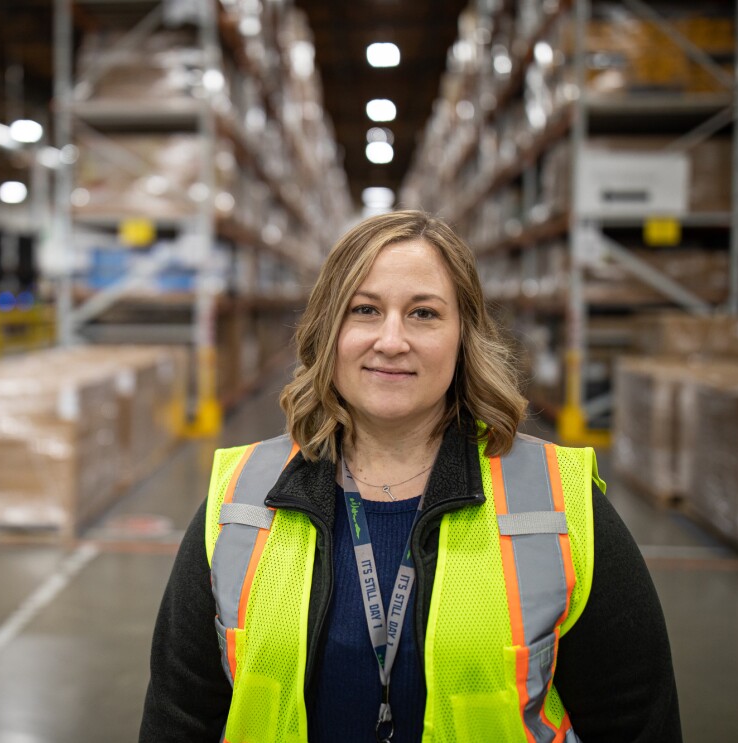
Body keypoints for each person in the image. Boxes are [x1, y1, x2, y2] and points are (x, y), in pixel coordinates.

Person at [140, 210, 681, 742]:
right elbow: (181, 716)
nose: (392, 340)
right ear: (331, 330)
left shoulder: (561, 503)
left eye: (423, 314)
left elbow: (634, 722)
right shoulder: (238, 498)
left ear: (463, 335)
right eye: (365, 310)